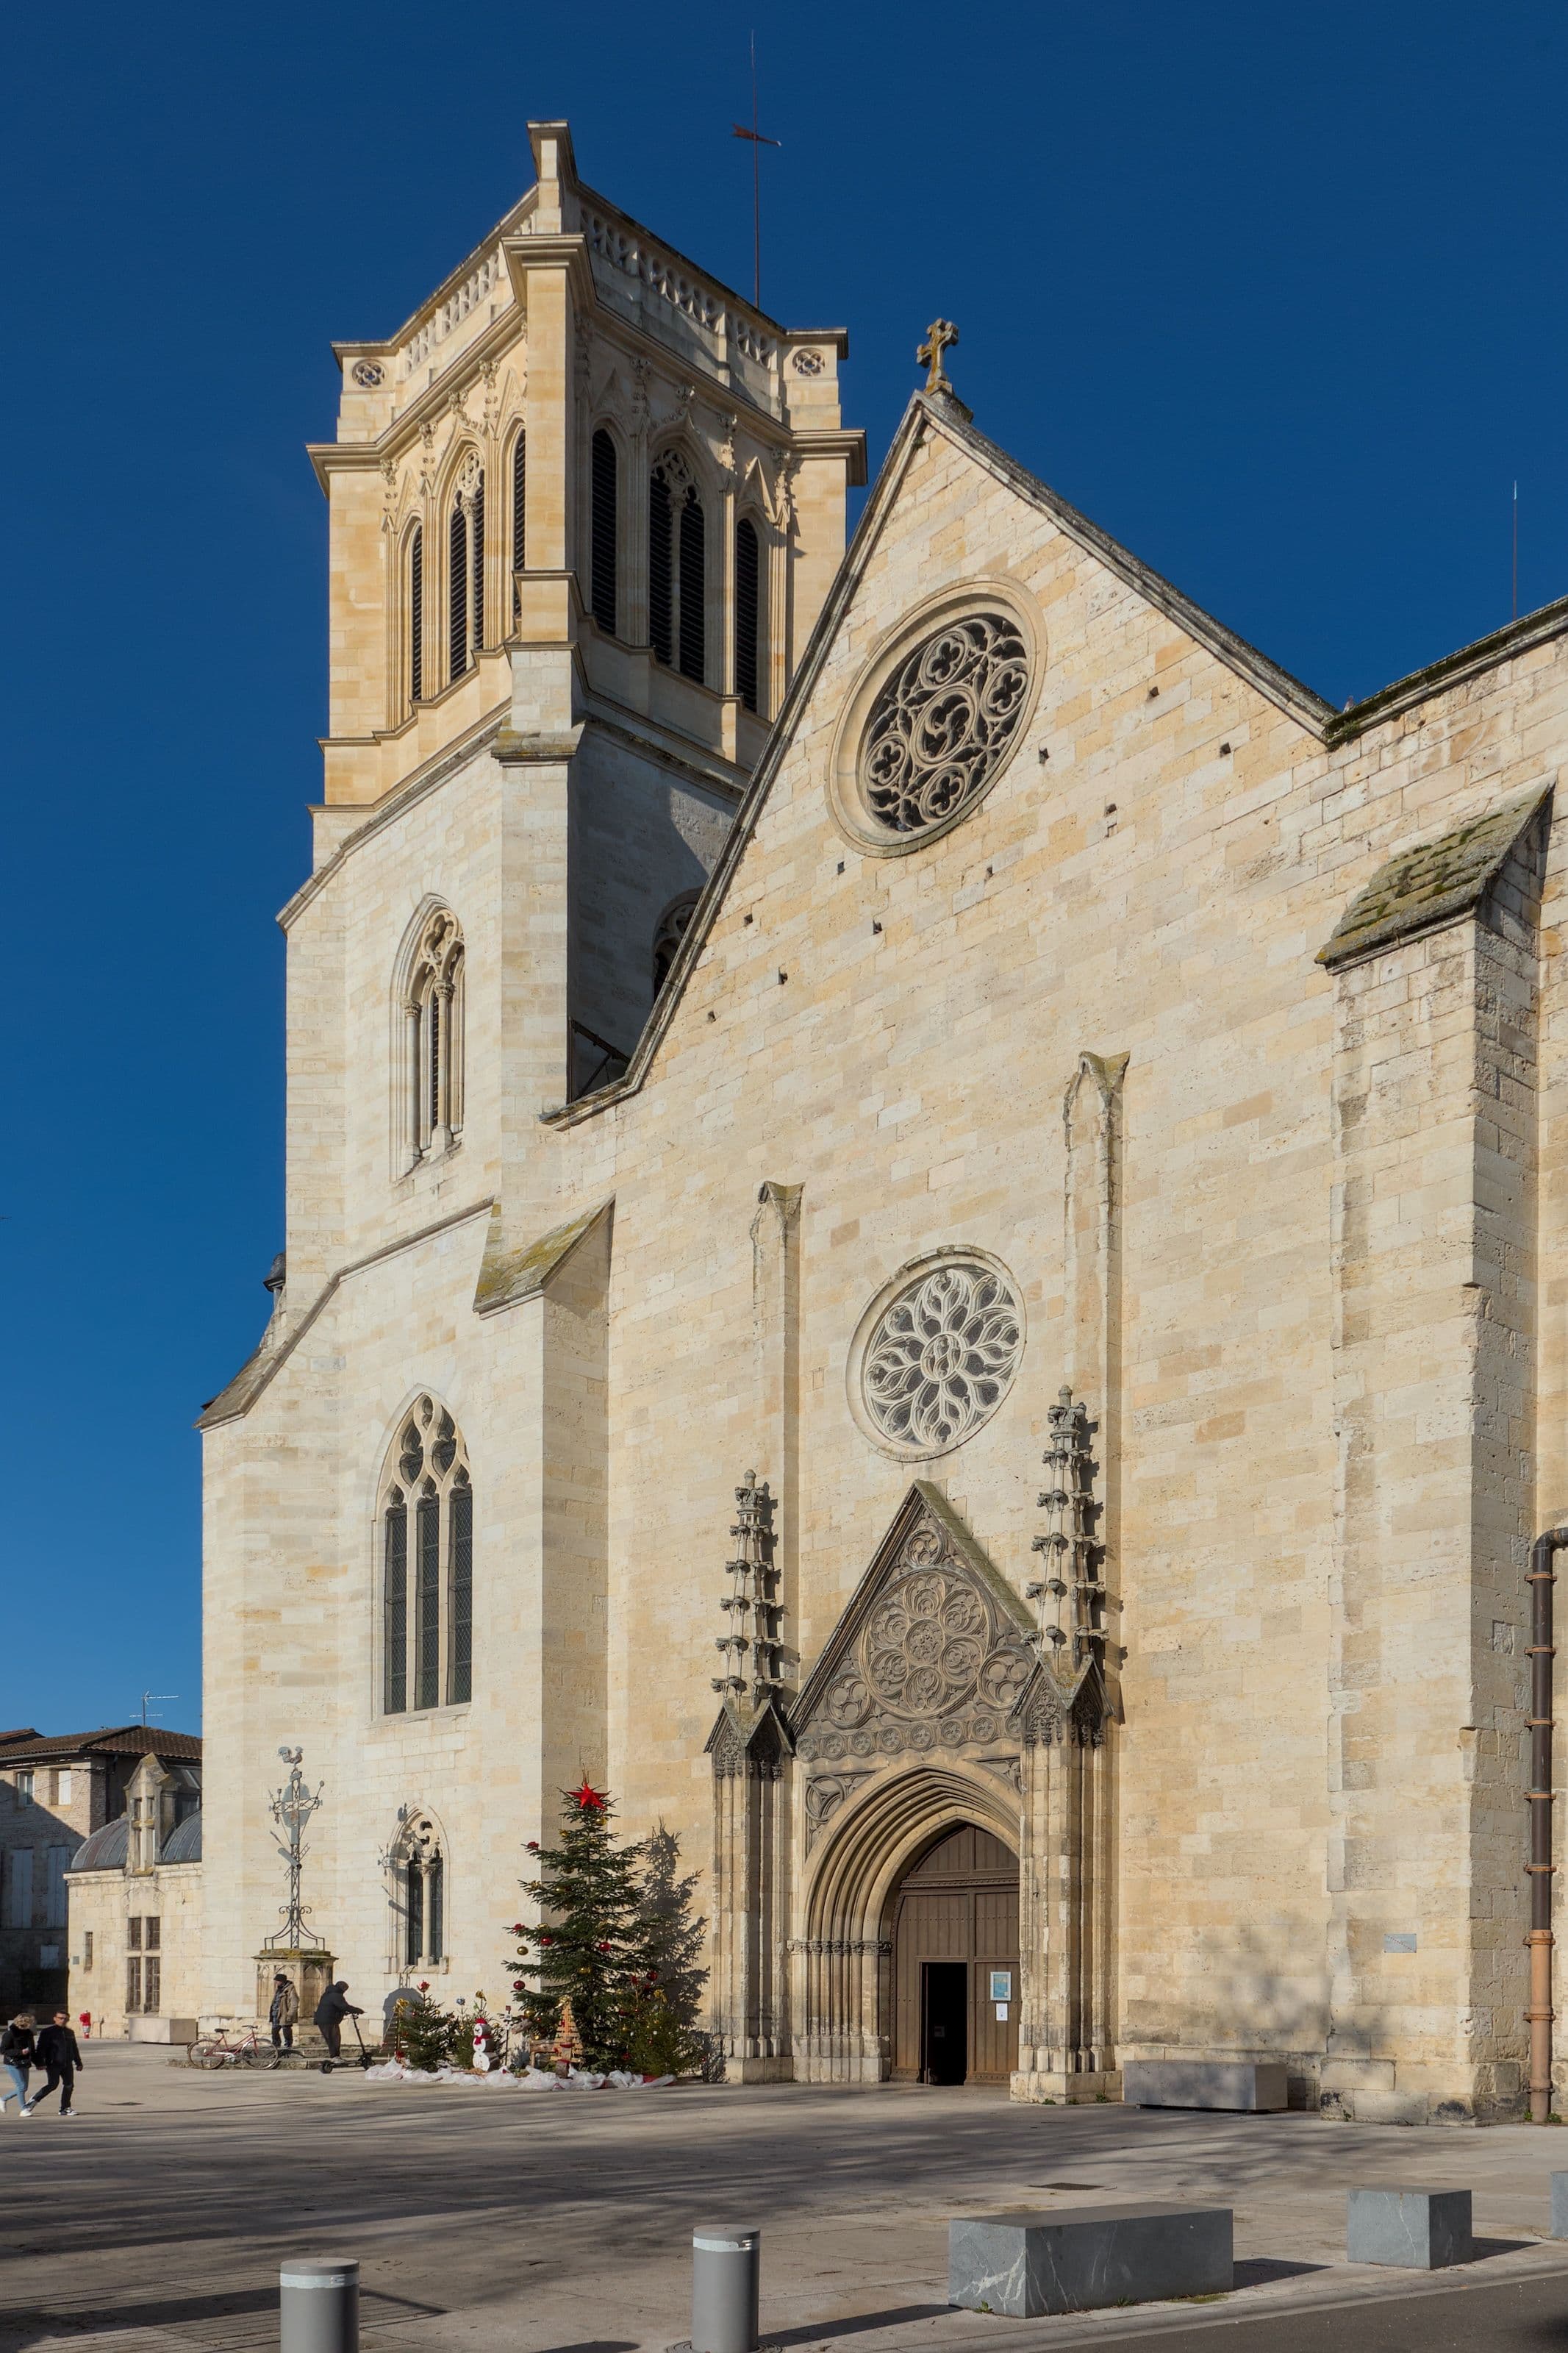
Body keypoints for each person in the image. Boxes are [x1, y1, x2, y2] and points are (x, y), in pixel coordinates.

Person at [31, 2011, 82, 2118]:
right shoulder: (48, 2032)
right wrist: (40, 2062)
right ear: (55, 2018)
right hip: (53, 2063)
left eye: (66, 2019)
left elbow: (74, 2048)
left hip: (67, 2064)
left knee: (69, 2085)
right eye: (61, 2018)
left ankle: (65, 2108)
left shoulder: (70, 2032)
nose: (63, 2020)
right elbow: (41, 2048)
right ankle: (33, 2101)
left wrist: (78, 2062)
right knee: (53, 2085)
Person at [312, 1980, 362, 2062]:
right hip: (329, 2020)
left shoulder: (328, 1994)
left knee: (332, 2038)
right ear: (342, 1988)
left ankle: (335, 2056)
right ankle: (335, 2057)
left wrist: (342, 2012)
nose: (345, 1991)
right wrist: (358, 2010)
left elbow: (333, 2007)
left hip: (324, 2019)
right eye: (345, 1989)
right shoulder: (336, 1995)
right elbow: (344, 2006)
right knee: (334, 2038)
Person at [1, 2015, 36, 2116]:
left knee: (24, 2088)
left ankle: (3, 2099)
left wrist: (39, 2063)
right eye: (30, 2023)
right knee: (21, 2086)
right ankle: (24, 2109)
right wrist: (21, 2052)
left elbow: (32, 2050)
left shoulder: (29, 2033)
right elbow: (3, 2050)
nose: (31, 2025)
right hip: (12, 2063)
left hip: (25, 2062)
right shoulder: (9, 2034)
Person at [268, 1972, 298, 2053]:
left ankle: (288, 2044)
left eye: (278, 1981)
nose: (276, 1982)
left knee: (286, 2030)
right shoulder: (278, 1989)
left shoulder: (290, 1989)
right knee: (274, 2030)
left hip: (284, 2013)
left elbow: (294, 2003)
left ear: (282, 1981)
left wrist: (290, 2014)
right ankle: (276, 2045)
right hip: (276, 2013)